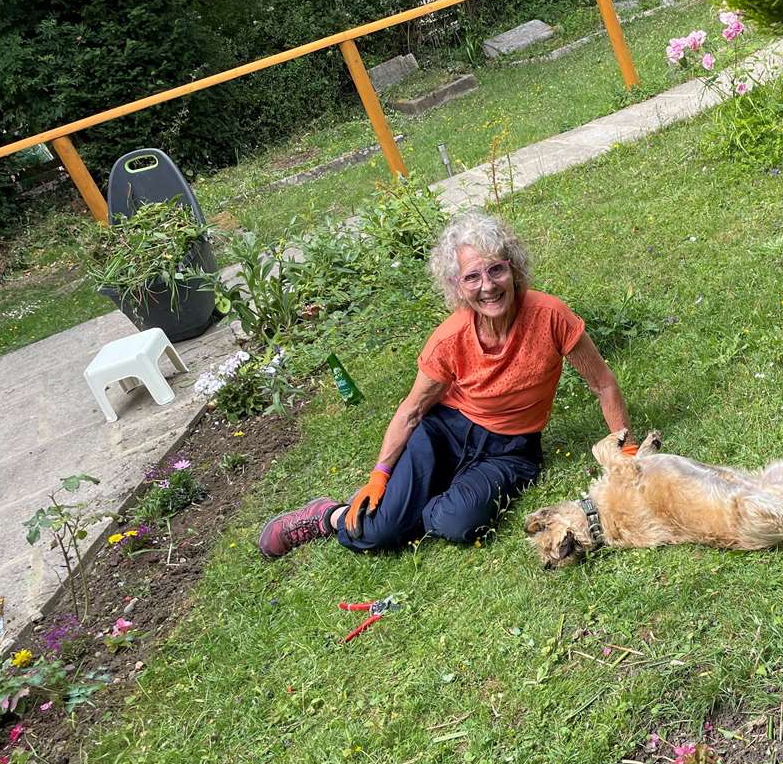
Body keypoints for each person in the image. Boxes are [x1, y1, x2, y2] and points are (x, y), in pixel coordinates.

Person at [258, 211, 633, 558]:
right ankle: (329, 515)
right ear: (457, 286)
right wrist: (379, 476)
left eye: (496, 270)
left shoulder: (550, 315)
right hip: (443, 432)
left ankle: (411, 507)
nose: (487, 286)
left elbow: (603, 385)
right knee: (377, 533)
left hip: (511, 450)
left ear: (514, 270)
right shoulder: (449, 338)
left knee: (455, 524)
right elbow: (413, 411)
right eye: (472, 277)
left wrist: (627, 455)